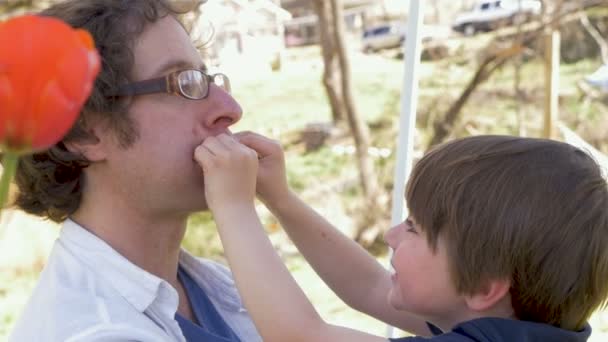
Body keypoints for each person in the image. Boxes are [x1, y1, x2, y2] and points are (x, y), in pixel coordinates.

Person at [195, 133, 608, 341]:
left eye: (414, 228)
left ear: (484, 286)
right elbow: (369, 287)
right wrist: (280, 198)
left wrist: (233, 206)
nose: (392, 235)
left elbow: (299, 335)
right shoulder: (521, 326)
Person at [9, 1, 261, 341]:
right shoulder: (97, 332)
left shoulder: (216, 286)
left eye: (206, 78)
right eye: (184, 82)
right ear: (85, 133)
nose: (230, 110)